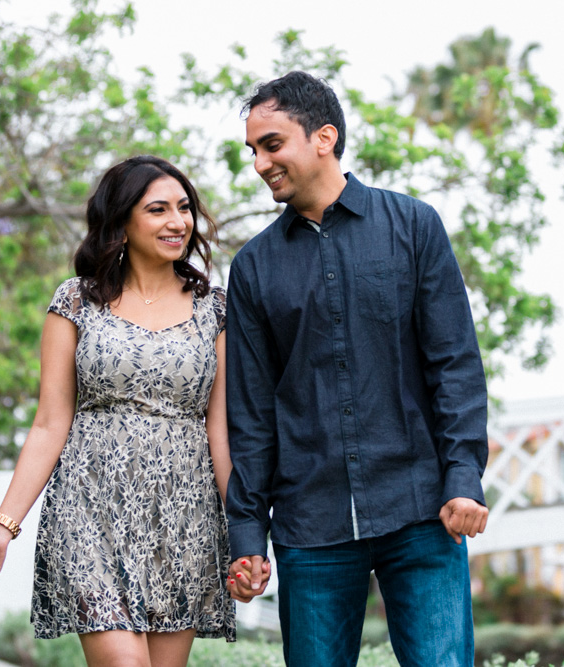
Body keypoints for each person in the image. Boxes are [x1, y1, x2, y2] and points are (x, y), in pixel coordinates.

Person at [223, 71, 490, 667]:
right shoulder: (254, 268)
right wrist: (248, 534)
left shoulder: (414, 227)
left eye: (272, 144)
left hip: (421, 508)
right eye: (254, 150)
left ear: (324, 138)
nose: (261, 164)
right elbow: (252, 412)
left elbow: (455, 367)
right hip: (308, 526)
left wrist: (463, 476)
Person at [0, 155, 235, 667]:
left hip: (184, 517)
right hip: (90, 512)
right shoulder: (77, 301)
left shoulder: (215, 309)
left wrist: (244, 534)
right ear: (122, 223)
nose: (178, 222)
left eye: (184, 208)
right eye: (158, 209)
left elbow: (220, 430)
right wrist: (2, 526)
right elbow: (49, 423)